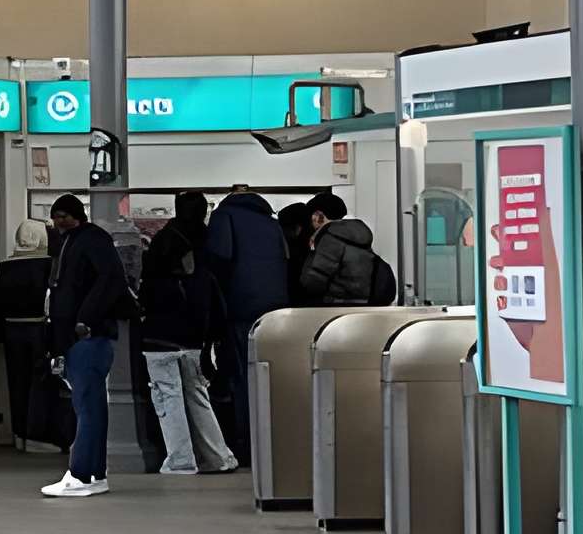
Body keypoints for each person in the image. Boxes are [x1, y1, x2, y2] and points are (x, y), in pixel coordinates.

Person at [136, 193, 239, 476]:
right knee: (197, 395)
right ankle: (219, 457)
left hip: (161, 334)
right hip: (195, 334)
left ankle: (181, 460)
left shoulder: (164, 241)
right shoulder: (209, 244)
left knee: (168, 396)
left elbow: (147, 290)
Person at [40, 194, 130, 500]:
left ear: (77, 215)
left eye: (64, 215)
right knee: (91, 406)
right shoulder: (79, 241)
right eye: (56, 216)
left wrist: (84, 320)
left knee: (87, 407)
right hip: (84, 336)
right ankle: (92, 474)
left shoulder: (86, 241)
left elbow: (109, 279)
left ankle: (80, 474)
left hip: (85, 336)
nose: (59, 221)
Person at [202, 183, 288, 462]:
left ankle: (245, 444)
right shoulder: (271, 222)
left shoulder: (223, 217)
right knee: (267, 378)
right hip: (276, 313)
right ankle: (269, 443)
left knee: (240, 379)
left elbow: (219, 257)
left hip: (240, 309)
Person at [0, 219, 59, 453]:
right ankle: (38, 435)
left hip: (11, 330)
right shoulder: (47, 265)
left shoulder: (6, 266)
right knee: (40, 383)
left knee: (17, 383)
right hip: (39, 329)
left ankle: (19, 433)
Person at [295, 190, 391, 306]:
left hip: (337, 309)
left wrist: (311, 253)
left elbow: (313, 283)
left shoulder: (330, 238)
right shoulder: (355, 238)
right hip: (363, 307)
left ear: (318, 217)